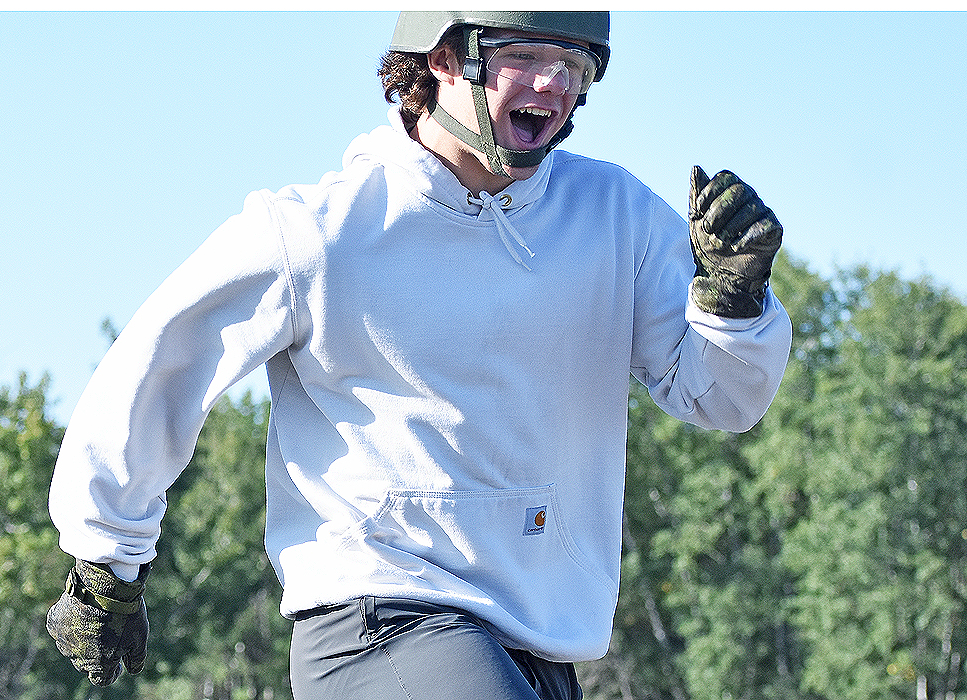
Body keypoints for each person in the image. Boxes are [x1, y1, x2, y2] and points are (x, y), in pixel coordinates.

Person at [46, 11, 792, 700]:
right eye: (525, 57)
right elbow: (161, 362)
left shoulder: (615, 216)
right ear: (443, 58)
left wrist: (733, 302)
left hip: (541, 637)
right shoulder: (320, 231)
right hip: (377, 620)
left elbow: (721, 399)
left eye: (574, 65)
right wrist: (105, 557)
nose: (553, 85)